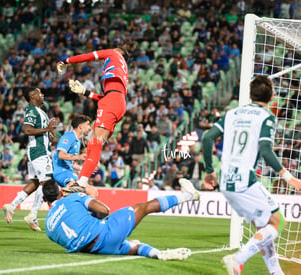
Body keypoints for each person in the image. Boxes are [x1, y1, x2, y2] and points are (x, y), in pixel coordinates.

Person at [202, 75, 301, 275]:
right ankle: (237, 259)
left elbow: (207, 138)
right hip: (244, 180)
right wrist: (288, 177)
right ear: (272, 96)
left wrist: (210, 172)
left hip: (225, 180)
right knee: (278, 222)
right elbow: (265, 149)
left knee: (264, 227)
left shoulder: (232, 114)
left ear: (249, 94)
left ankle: (276, 272)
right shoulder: (267, 117)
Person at [42, 178, 199, 259]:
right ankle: (189, 195)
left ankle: (159, 254)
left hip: (93, 250)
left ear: (45, 199)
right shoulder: (72, 197)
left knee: (135, 246)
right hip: (105, 233)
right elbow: (104, 210)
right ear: (61, 192)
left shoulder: (48, 227)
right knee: (143, 208)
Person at [57, 47, 129, 191]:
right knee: (93, 143)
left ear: (119, 51)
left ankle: (81, 183)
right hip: (117, 102)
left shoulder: (113, 53)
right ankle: (82, 181)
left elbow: (88, 56)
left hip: (112, 101)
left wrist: (66, 61)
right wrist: (85, 92)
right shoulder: (121, 70)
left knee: (95, 142)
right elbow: (110, 95)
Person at [3, 87, 57, 231]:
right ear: (33, 97)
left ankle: (11, 206)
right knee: (45, 182)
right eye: (40, 93)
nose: (43, 95)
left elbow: (42, 133)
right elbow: (27, 129)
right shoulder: (32, 111)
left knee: (35, 184)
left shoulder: (41, 112)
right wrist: (46, 130)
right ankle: (32, 215)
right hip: (38, 151)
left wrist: (50, 135)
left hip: (40, 150)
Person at [52, 115, 98, 197]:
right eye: (88, 125)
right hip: (62, 172)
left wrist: (84, 168)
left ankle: (55, 201)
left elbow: (71, 163)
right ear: (80, 126)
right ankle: (55, 202)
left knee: (93, 192)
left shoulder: (77, 141)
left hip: (69, 171)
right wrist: (78, 157)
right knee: (76, 189)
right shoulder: (69, 137)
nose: (90, 128)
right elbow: (61, 155)